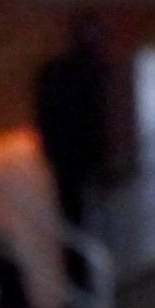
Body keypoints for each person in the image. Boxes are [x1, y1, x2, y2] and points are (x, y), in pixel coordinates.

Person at [31, 13, 109, 231]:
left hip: (69, 156)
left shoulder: (55, 73)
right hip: (82, 154)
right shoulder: (96, 73)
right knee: (91, 213)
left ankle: (80, 262)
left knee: (74, 213)